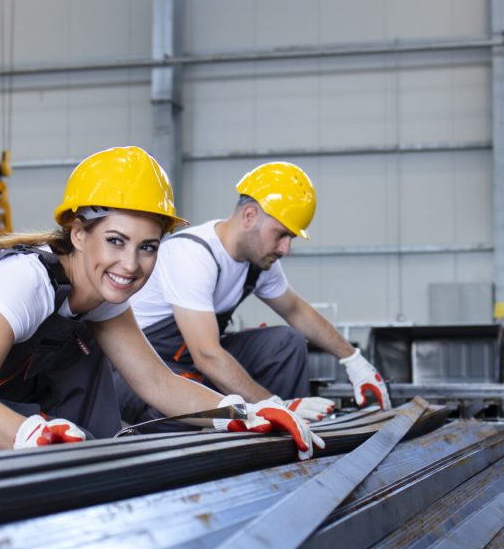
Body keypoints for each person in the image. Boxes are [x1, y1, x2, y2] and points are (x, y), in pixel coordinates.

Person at [0, 146, 324, 464]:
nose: (132, 264)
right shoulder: (24, 282)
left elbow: (158, 384)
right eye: (117, 241)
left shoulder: (100, 294)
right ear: (79, 234)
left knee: (83, 393)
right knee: (25, 469)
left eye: (148, 247)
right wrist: (27, 435)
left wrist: (247, 414)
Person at [116, 161, 389, 425]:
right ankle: (273, 418)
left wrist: (353, 360)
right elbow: (207, 354)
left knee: (286, 342)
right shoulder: (194, 254)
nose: (286, 249)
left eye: (290, 238)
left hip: (192, 364)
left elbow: (297, 311)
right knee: (189, 407)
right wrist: (275, 404)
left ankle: (281, 438)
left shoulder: (258, 263)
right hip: (140, 370)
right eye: (281, 234)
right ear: (249, 216)